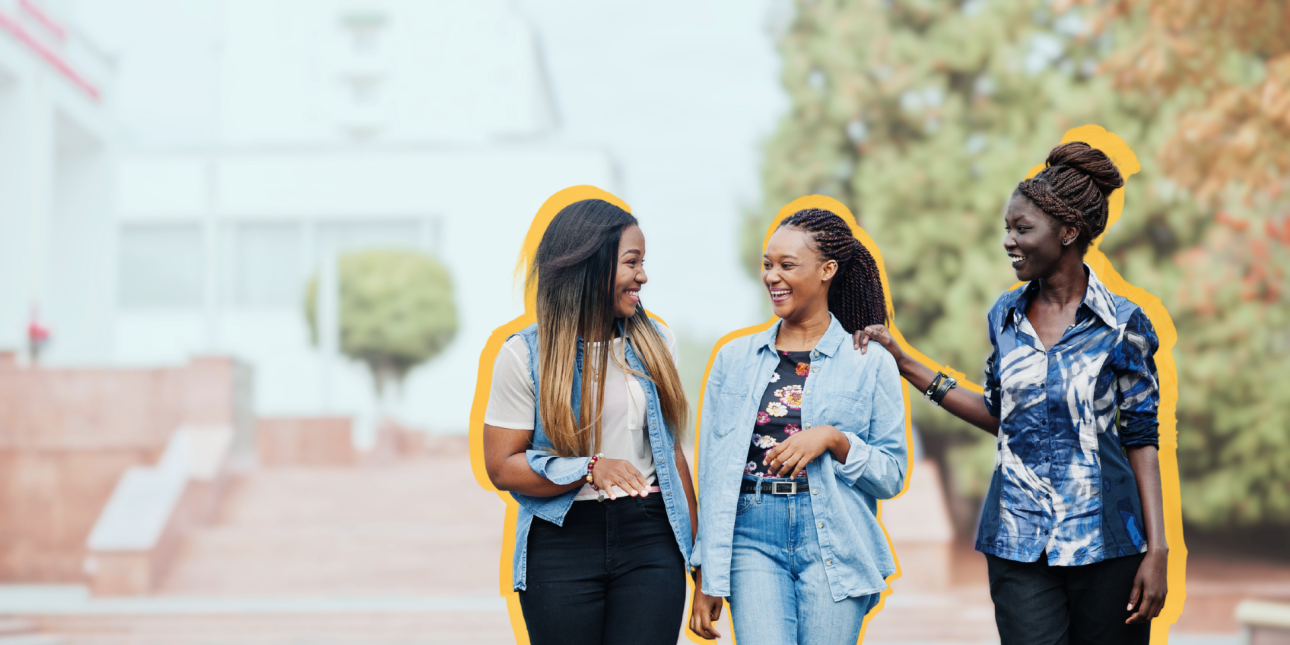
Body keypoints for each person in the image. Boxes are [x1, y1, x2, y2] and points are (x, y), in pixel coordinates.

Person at [858, 141, 1167, 645]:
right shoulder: (1005, 315)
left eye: (1022, 228)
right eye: (1007, 228)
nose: (1008, 240)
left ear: (1068, 233)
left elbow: (1141, 436)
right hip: (1018, 540)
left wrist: (1157, 550)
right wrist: (905, 361)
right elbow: (1003, 414)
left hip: (1109, 544)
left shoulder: (1124, 325)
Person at [481, 199, 698, 645]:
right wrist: (588, 467)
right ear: (590, 267)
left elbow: (672, 453)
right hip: (561, 539)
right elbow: (502, 466)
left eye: (643, 262)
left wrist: (700, 562)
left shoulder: (658, 343)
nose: (643, 276)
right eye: (631, 262)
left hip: (650, 535)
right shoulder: (522, 356)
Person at [688, 208, 908, 644]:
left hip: (835, 535)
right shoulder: (732, 359)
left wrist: (834, 439)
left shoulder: (869, 362)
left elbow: (891, 474)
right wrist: (706, 573)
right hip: (752, 533)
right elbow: (714, 474)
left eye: (787, 265)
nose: (772, 276)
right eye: (768, 264)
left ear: (827, 270)